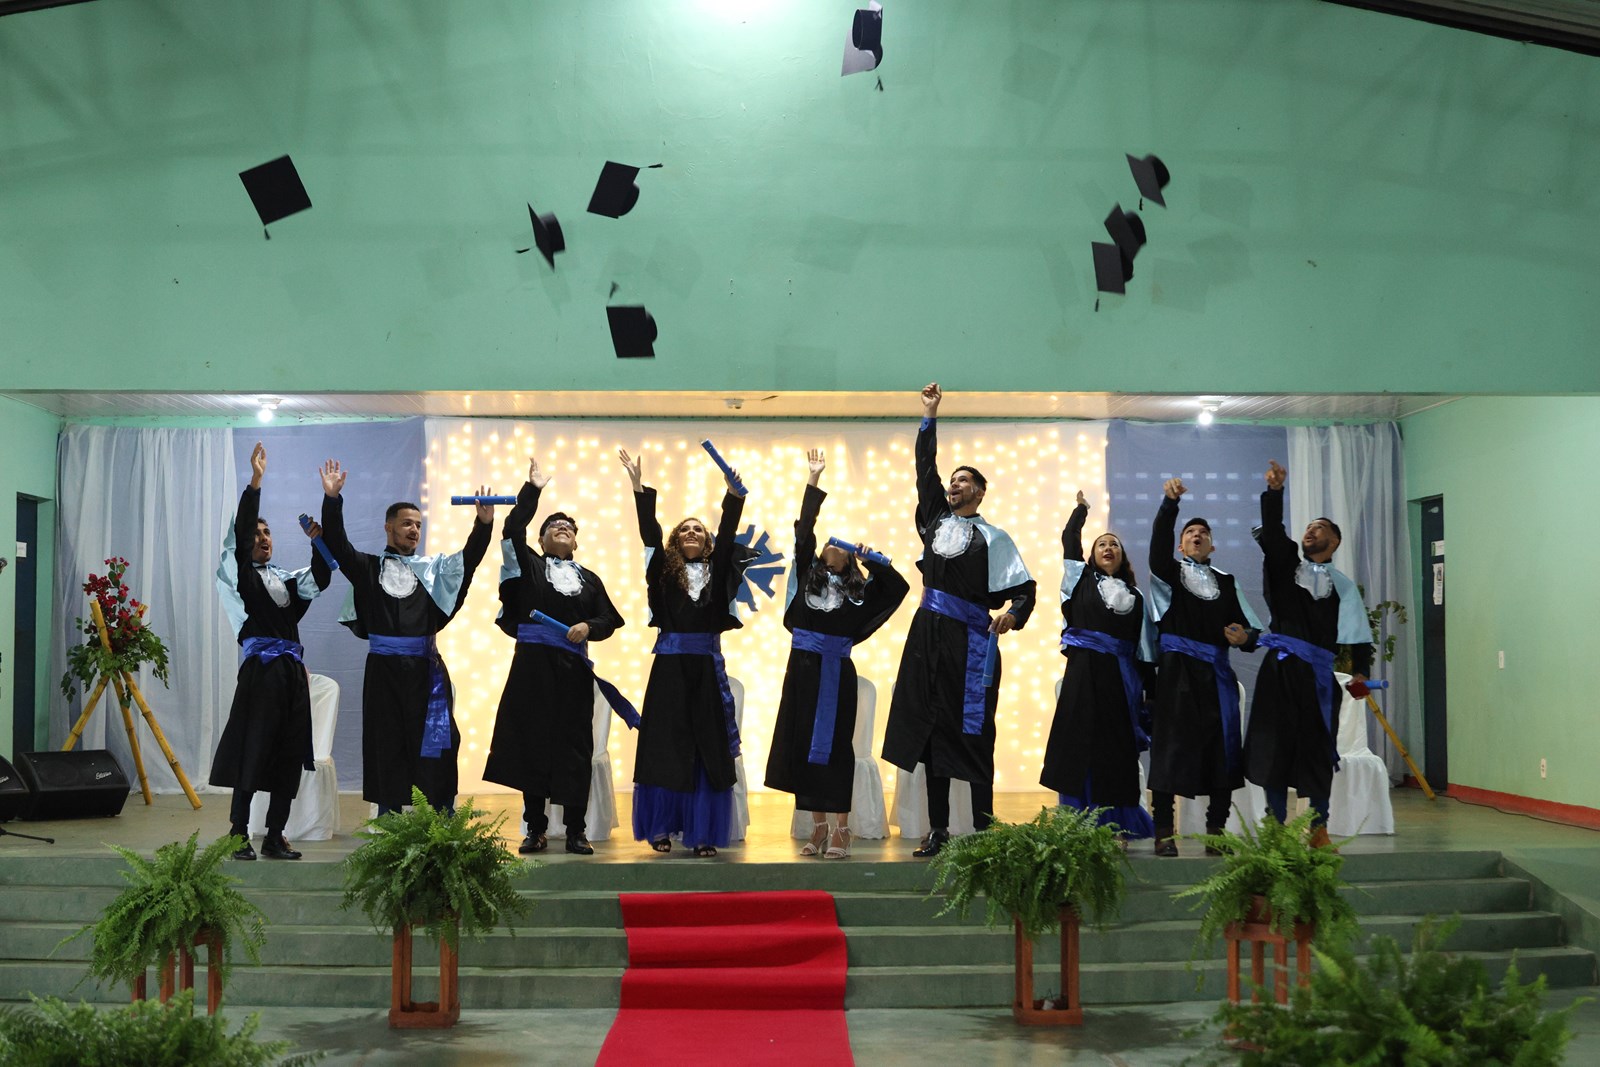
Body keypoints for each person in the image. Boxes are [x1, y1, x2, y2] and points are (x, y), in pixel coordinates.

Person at [882, 383, 1036, 858]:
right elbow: (923, 469)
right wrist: (930, 415)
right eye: (952, 479)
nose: (953, 484)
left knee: (972, 731)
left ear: (981, 491)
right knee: (930, 732)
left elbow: (1025, 590)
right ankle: (939, 829)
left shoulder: (996, 537)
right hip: (928, 634)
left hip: (971, 643)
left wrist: (1011, 615)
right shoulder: (935, 520)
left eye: (964, 479)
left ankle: (987, 828)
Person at [317, 459, 494, 814]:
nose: (414, 530)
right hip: (383, 672)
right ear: (389, 528)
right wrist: (332, 500)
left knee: (437, 742)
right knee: (388, 743)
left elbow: (469, 560)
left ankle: (442, 816)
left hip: (427, 671)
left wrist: (483, 525)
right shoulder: (367, 568)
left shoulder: (432, 572)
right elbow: (336, 543)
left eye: (418, 525)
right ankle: (389, 819)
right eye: (407, 524)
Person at [764, 449, 909, 859]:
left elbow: (897, 587)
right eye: (831, 544)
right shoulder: (806, 582)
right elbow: (804, 533)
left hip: (836, 673)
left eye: (843, 549)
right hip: (802, 671)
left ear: (850, 562)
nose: (834, 549)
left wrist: (873, 561)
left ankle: (842, 830)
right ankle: (818, 828)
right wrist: (813, 481)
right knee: (802, 745)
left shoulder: (857, 597)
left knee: (835, 747)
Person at [483, 456, 629, 856]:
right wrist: (532, 490)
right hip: (532, 669)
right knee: (534, 745)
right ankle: (535, 828)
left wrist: (589, 628)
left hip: (573, 672)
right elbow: (513, 528)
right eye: (552, 527)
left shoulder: (589, 579)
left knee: (575, 747)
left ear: (577, 542)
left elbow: (608, 618)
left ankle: (577, 829)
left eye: (568, 528)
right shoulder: (528, 566)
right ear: (541, 540)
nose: (561, 529)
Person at [619, 445, 756, 858]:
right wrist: (639, 488)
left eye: (699, 529)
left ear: (709, 541)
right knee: (665, 747)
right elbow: (648, 534)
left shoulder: (720, 571)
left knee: (706, 748)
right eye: (685, 530)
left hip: (707, 668)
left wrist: (734, 496)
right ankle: (661, 827)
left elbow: (730, 532)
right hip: (670, 670)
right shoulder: (662, 571)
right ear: (675, 541)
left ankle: (701, 832)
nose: (692, 533)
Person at [211, 442, 332, 861]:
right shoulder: (241, 577)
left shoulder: (286, 579)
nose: (263, 538)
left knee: (289, 752)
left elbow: (322, 576)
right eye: (257, 534)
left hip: (291, 673)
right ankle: (237, 832)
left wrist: (318, 539)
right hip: (261, 672)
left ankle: (275, 834)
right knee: (254, 748)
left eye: (267, 532)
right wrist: (255, 483)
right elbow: (241, 536)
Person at [1244, 460, 1373, 850]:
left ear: (1334, 542)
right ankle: (1275, 825)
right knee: (1275, 744)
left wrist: (1358, 675)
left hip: (1319, 678)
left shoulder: (1344, 587)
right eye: (1308, 528)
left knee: (1318, 747)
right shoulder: (1287, 571)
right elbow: (1273, 538)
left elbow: (1354, 634)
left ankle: (1319, 825)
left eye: (1320, 528)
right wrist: (1274, 493)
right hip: (1280, 672)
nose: (1311, 531)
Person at [1146, 476, 1263, 856]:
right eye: (1190, 532)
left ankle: (1216, 831)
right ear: (1181, 544)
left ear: (1212, 544)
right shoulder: (1169, 574)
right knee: (1169, 752)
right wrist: (1169, 505)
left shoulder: (1227, 583)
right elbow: (1157, 544)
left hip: (1216, 677)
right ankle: (1164, 832)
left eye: (1203, 533)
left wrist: (1244, 637)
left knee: (1222, 753)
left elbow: (1252, 628)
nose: (1197, 536)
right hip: (1176, 675)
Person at [1039, 490, 1155, 840]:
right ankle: (1075, 818)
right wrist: (1081, 510)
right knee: (1077, 745)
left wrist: (1148, 695)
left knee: (1116, 751)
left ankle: (1117, 821)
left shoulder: (1135, 598)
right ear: (1091, 555)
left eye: (1115, 545)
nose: (1108, 548)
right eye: (1102, 544)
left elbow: (1144, 649)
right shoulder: (1079, 580)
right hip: (1083, 673)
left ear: (1123, 557)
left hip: (1121, 681)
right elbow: (1069, 540)